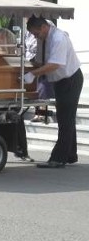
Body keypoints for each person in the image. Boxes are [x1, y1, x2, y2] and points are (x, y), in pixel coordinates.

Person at [25, 16, 83, 168]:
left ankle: (58, 158)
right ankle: (70, 154)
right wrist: (25, 64)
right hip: (59, 80)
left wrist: (33, 74)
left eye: (36, 33)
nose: (35, 36)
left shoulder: (58, 38)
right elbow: (40, 61)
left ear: (43, 27)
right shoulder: (43, 37)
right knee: (66, 118)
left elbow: (55, 64)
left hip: (70, 79)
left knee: (65, 119)